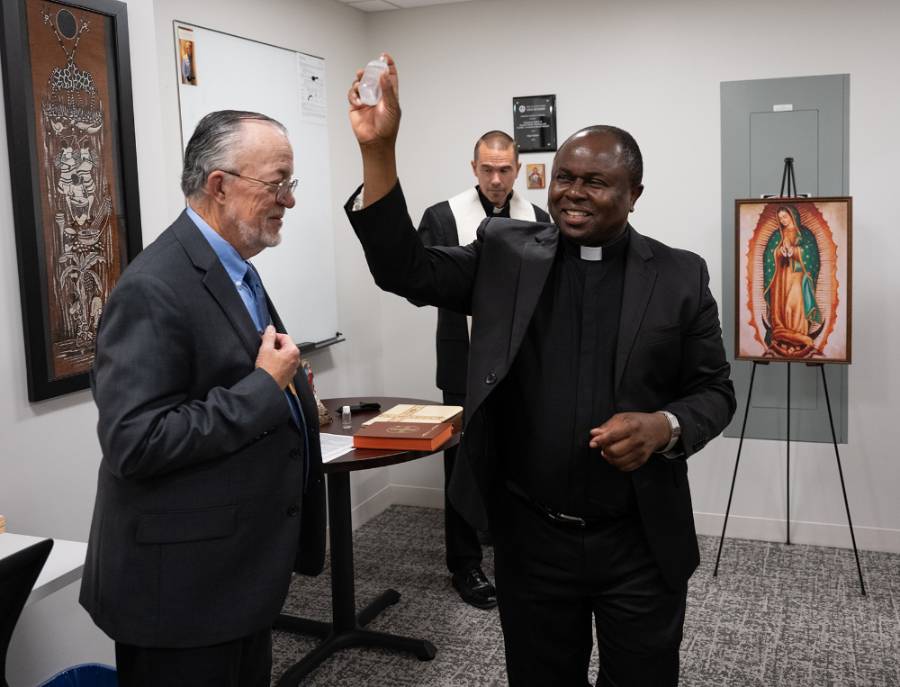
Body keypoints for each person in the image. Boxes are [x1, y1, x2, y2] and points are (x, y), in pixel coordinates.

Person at [345, 56, 735, 686]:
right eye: (564, 178)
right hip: (532, 539)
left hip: (639, 539)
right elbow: (405, 270)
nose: (573, 192)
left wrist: (664, 426)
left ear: (634, 194)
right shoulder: (506, 252)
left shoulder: (680, 275)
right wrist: (379, 151)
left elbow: (715, 391)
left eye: (595, 182)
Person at [79, 110, 326, 687]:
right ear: (220, 185)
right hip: (179, 595)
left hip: (232, 576)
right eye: (278, 183)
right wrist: (266, 388)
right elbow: (135, 442)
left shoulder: (235, 266)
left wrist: (289, 392)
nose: (289, 200)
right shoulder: (153, 285)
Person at [416, 130, 549, 610]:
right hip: (464, 360)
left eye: (505, 169)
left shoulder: (538, 219)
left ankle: (518, 552)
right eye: (487, 169)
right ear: (474, 168)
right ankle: (465, 564)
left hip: (520, 361)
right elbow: (421, 283)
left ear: (518, 169)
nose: (496, 179)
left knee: (520, 457)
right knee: (461, 462)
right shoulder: (442, 217)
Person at [764, 204, 822, 356]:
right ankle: (782, 333)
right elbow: (769, 255)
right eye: (780, 218)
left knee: (795, 303)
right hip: (780, 276)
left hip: (797, 275)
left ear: (792, 215)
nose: (783, 220)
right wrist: (779, 252)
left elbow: (812, 254)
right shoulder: (777, 235)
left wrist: (794, 251)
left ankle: (798, 334)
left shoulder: (805, 234)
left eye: (785, 216)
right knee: (780, 304)